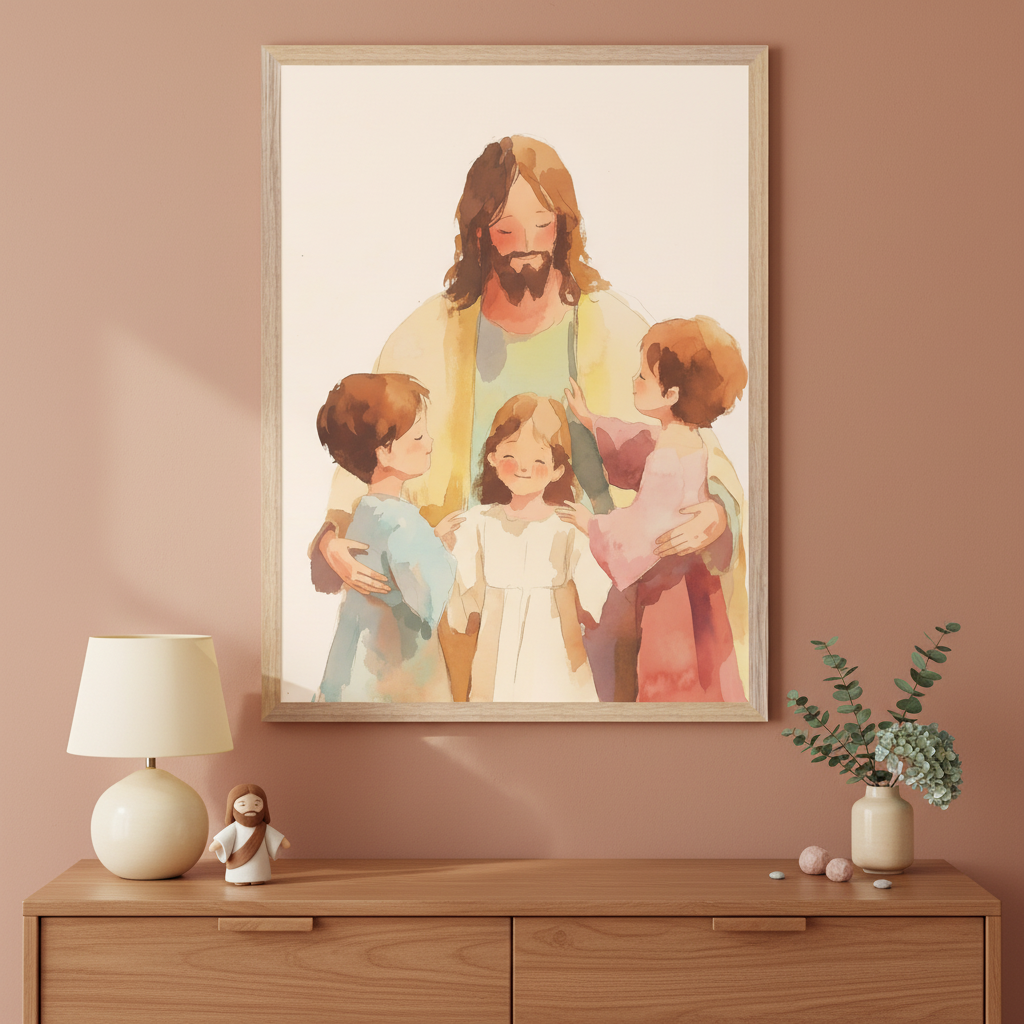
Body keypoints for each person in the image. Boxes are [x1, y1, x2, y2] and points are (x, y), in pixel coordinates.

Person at [310, 136, 746, 700]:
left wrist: (715, 512)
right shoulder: (428, 334)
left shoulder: (614, 327)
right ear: (477, 233)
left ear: (565, 228)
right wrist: (333, 537)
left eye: (542, 227)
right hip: (472, 606)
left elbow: (698, 453)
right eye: (506, 231)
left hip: (603, 602)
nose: (526, 248)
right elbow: (366, 453)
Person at [558, 318, 747, 702]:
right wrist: (592, 420)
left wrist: (590, 524)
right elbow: (637, 440)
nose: (634, 382)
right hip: (690, 577)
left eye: (643, 376)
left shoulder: (665, 457)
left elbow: (642, 530)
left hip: (668, 585)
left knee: (668, 675)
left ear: (672, 393)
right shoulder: (686, 438)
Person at [448, 395, 610, 701]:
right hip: (496, 661)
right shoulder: (479, 522)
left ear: (557, 469)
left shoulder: (566, 525)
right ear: (493, 457)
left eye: (538, 460)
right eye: (511, 456)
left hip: (555, 655)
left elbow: (595, 598)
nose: (523, 468)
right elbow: (463, 602)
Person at [312, 373, 461, 702]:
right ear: (384, 453)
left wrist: (431, 539)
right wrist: (443, 548)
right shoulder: (404, 522)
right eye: (419, 437)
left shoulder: (366, 511)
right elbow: (430, 600)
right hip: (398, 676)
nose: (430, 443)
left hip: (356, 667)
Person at [209, 784, 290, 885]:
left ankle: (258, 878)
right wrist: (217, 843)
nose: (250, 808)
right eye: (242, 804)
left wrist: (282, 841)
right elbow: (224, 838)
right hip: (237, 867)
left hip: (260, 867)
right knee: (240, 877)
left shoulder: (263, 827)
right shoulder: (234, 828)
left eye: (257, 804)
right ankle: (240, 879)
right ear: (232, 807)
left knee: (259, 873)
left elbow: (276, 838)